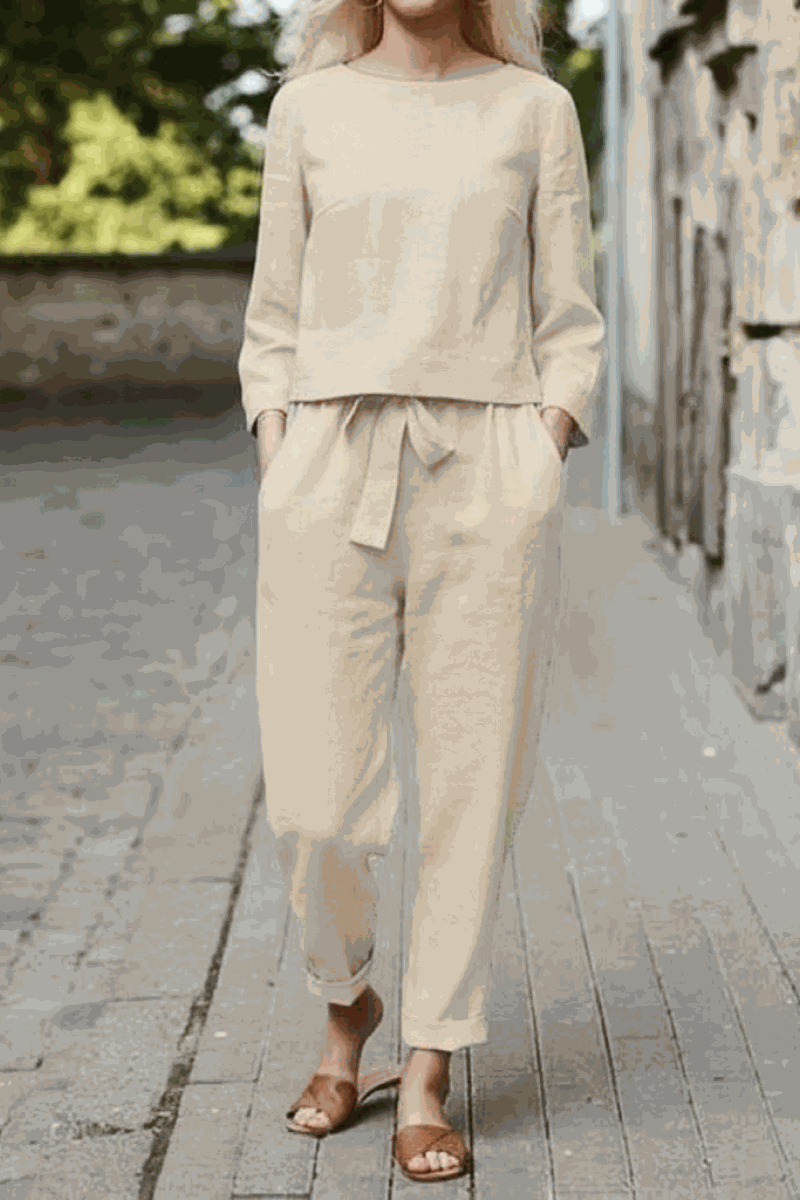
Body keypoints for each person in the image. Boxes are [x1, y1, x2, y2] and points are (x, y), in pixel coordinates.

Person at [238, 0, 605, 1182]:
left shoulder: (533, 110)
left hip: (486, 475)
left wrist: (541, 449)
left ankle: (430, 1067)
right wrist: (279, 450)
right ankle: (346, 1003)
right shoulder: (309, 109)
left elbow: (569, 317)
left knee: (468, 785)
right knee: (314, 801)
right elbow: (272, 317)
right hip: (328, 467)